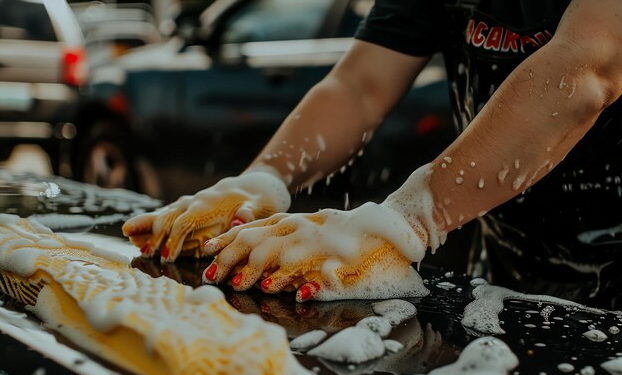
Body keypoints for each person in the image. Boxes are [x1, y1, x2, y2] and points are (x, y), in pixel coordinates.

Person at [123, 0, 622, 308]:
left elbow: (587, 69)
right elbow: (359, 86)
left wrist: (408, 220)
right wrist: (263, 179)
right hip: (510, 281)